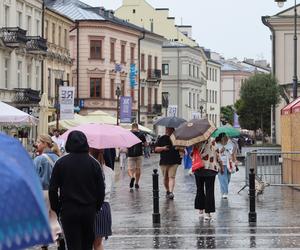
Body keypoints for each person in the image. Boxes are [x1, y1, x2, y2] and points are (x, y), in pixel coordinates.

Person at [49, 131, 105, 250]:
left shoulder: (60, 163)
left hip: (68, 210)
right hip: (88, 210)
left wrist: (57, 208)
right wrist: (96, 206)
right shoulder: (94, 163)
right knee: (87, 244)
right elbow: (101, 189)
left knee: (73, 244)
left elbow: (52, 189)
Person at [33, 135, 61, 249]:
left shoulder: (39, 159)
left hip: (43, 192)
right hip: (57, 192)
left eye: (39, 142)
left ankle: (44, 243)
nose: (36, 144)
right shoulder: (58, 158)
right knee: (55, 216)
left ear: (45, 144)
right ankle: (59, 237)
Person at [90, 148, 114, 250]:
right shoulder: (109, 171)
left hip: (92, 206)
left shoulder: (89, 170)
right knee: (98, 243)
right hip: (104, 207)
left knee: (88, 242)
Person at [193, 139, 223, 220]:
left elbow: (192, 155)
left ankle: (200, 210)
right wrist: (222, 166)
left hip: (198, 168)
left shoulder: (196, 142)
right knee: (209, 190)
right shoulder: (213, 142)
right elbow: (218, 156)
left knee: (199, 189)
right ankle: (208, 213)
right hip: (211, 168)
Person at [155, 127, 182, 200]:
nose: (168, 130)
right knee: (165, 178)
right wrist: (163, 148)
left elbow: (182, 148)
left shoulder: (178, 138)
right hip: (164, 161)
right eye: (167, 129)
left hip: (174, 161)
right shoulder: (162, 138)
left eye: (170, 129)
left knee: (171, 177)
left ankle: (171, 192)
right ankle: (167, 190)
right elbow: (156, 149)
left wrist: (179, 148)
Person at [127, 123, 146, 190]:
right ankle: (137, 183)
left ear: (132, 127)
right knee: (138, 169)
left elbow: (126, 143)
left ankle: (132, 177)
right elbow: (145, 144)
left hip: (130, 154)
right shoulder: (141, 134)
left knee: (129, 169)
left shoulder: (128, 134)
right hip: (139, 154)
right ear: (137, 127)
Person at [215, 133, 234, 199]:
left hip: (229, 164)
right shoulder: (217, 145)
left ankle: (223, 191)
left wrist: (226, 149)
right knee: (223, 179)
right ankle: (225, 193)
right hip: (221, 164)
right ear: (222, 137)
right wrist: (220, 151)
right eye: (225, 136)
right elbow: (215, 154)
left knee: (228, 179)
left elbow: (232, 153)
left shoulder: (230, 144)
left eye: (227, 136)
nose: (227, 137)